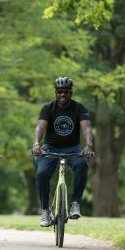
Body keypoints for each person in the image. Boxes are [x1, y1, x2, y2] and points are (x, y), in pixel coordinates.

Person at [32, 77, 95, 227]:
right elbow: (40, 127)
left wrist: (88, 146)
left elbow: (86, 127)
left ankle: (75, 204)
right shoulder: (48, 108)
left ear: (70, 93)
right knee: (41, 174)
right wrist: (36, 144)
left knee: (82, 165)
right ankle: (45, 210)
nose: (62, 95)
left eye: (66, 92)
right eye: (59, 92)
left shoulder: (79, 108)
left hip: (73, 148)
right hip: (50, 148)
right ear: (55, 93)